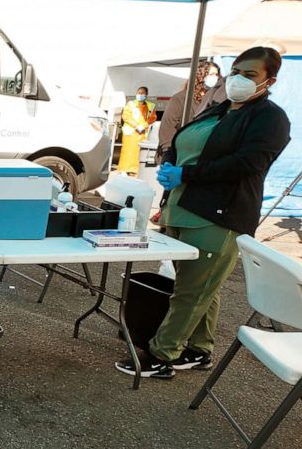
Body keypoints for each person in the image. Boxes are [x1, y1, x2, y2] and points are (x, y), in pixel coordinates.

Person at [115, 47, 291, 380]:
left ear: (270, 80)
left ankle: (161, 354)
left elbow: (248, 163)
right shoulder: (219, 109)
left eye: (250, 74)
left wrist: (188, 175)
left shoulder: (270, 118)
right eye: (236, 71)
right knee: (198, 285)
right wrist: (170, 163)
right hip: (184, 207)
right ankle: (199, 350)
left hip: (219, 216)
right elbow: (186, 145)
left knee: (192, 291)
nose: (238, 79)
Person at [156, 61, 226, 165]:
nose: (215, 77)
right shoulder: (181, 98)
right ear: (200, 76)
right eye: (211, 74)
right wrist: (170, 153)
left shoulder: (215, 99)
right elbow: (167, 127)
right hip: (177, 155)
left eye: (216, 75)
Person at [117, 86, 157, 176]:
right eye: (139, 93)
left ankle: (134, 170)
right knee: (127, 151)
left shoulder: (150, 106)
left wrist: (144, 125)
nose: (140, 95)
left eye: (143, 93)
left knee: (138, 152)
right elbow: (126, 116)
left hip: (142, 133)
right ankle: (124, 169)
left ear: (146, 95)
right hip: (130, 132)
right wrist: (136, 125)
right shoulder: (130, 104)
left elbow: (152, 118)